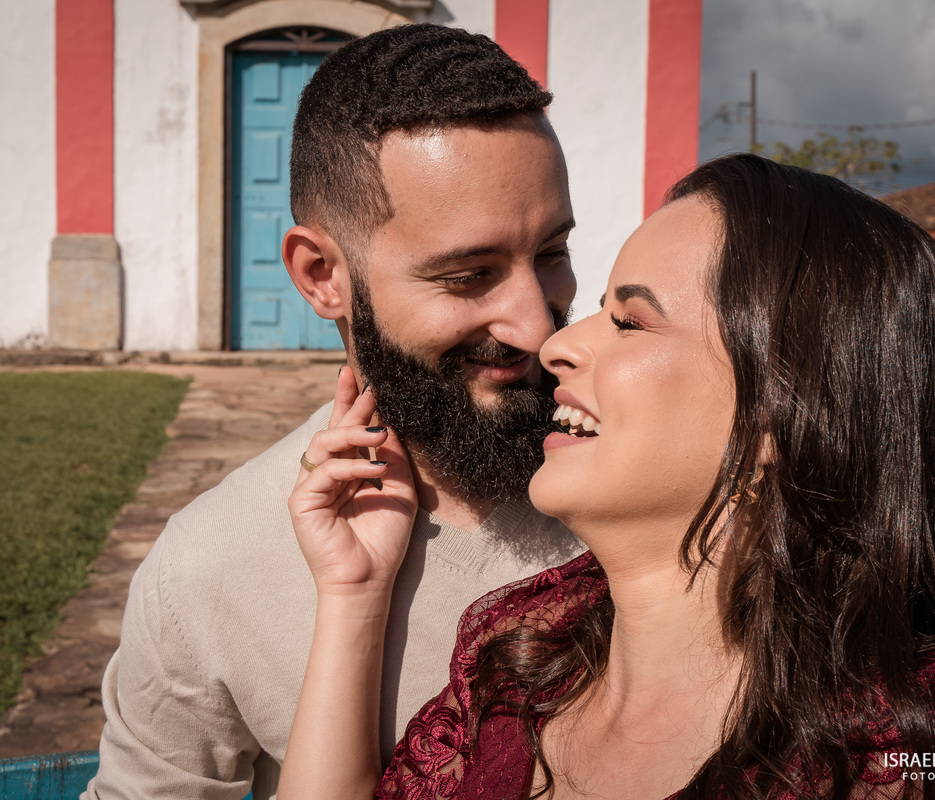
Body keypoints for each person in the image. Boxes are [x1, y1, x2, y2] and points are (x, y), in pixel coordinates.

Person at [279, 154, 935, 799]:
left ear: (784, 415)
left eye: (630, 322)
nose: (556, 342)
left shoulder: (925, 753)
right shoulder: (527, 665)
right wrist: (352, 593)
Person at [84, 24, 585, 800]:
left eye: (551, 252)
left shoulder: (653, 487)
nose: (536, 324)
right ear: (321, 276)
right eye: (468, 275)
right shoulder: (208, 571)